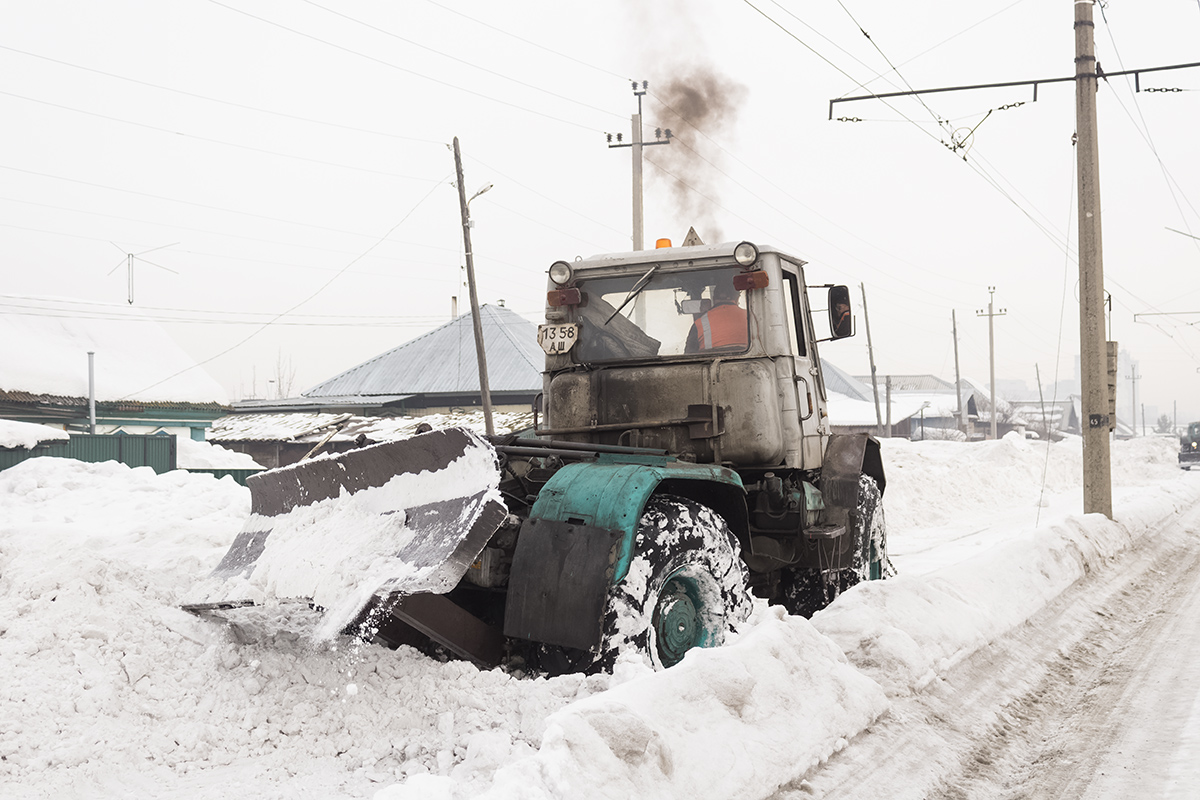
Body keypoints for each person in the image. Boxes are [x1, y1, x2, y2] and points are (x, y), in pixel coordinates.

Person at [685, 281, 748, 353]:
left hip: (711, 363)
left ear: (714, 299)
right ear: (737, 298)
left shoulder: (699, 323)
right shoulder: (751, 317)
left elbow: (688, 355)